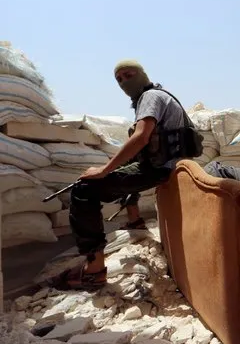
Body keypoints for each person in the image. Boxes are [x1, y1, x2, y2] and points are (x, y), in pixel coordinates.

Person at [58, 59, 195, 290]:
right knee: (124, 168)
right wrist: (114, 167)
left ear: (142, 74)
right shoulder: (158, 96)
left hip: (162, 169)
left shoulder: (149, 97)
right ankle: (135, 220)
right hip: (165, 165)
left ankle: (93, 271)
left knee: (84, 190)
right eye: (119, 79)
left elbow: (141, 137)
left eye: (128, 75)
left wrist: (104, 170)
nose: (124, 82)